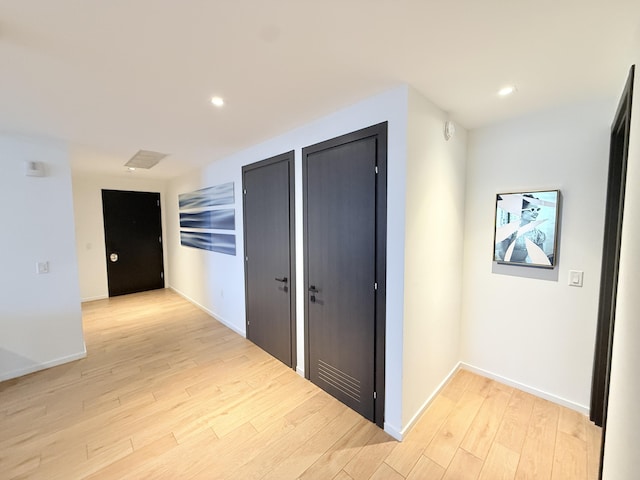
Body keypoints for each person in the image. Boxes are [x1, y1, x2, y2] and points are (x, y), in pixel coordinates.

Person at [495, 194, 548, 264]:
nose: (536, 213)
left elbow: (540, 257)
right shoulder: (509, 230)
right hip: (506, 266)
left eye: (537, 209)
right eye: (532, 210)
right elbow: (502, 253)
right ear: (520, 211)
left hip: (524, 266)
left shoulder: (538, 234)